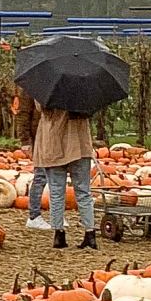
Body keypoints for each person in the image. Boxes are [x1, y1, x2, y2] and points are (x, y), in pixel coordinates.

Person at [26, 98, 94, 246]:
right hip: (80, 145)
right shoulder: (84, 91)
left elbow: (40, 108)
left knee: (56, 192)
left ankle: (59, 234)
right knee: (84, 192)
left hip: (53, 145)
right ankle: (90, 233)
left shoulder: (47, 92)